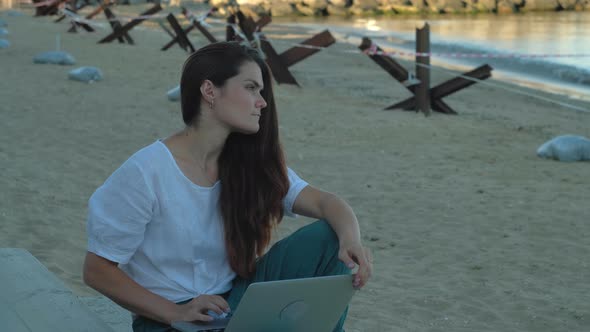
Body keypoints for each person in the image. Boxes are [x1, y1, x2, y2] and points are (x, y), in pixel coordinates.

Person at [83, 41, 373, 332]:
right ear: (209, 91)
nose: (261, 102)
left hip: (236, 298)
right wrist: (176, 312)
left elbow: (327, 203)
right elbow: (97, 270)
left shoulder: (248, 164)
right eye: (250, 88)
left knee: (330, 235)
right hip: (171, 319)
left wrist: (351, 240)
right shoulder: (145, 172)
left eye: (261, 91)